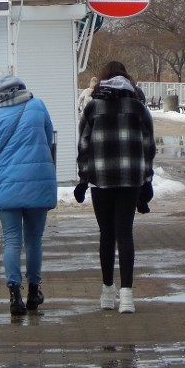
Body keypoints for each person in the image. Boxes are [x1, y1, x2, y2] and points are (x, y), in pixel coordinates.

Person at [0, 73, 57, 316]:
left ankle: (14, 296)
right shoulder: (37, 106)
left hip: (7, 186)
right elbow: (48, 138)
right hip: (38, 182)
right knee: (34, 239)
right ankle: (34, 292)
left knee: (11, 240)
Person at [75, 60, 155, 314]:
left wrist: (83, 179)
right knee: (125, 233)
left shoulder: (93, 107)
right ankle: (127, 296)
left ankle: (107, 292)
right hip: (130, 178)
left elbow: (84, 146)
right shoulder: (138, 108)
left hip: (101, 179)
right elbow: (148, 147)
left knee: (106, 234)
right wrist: (146, 180)